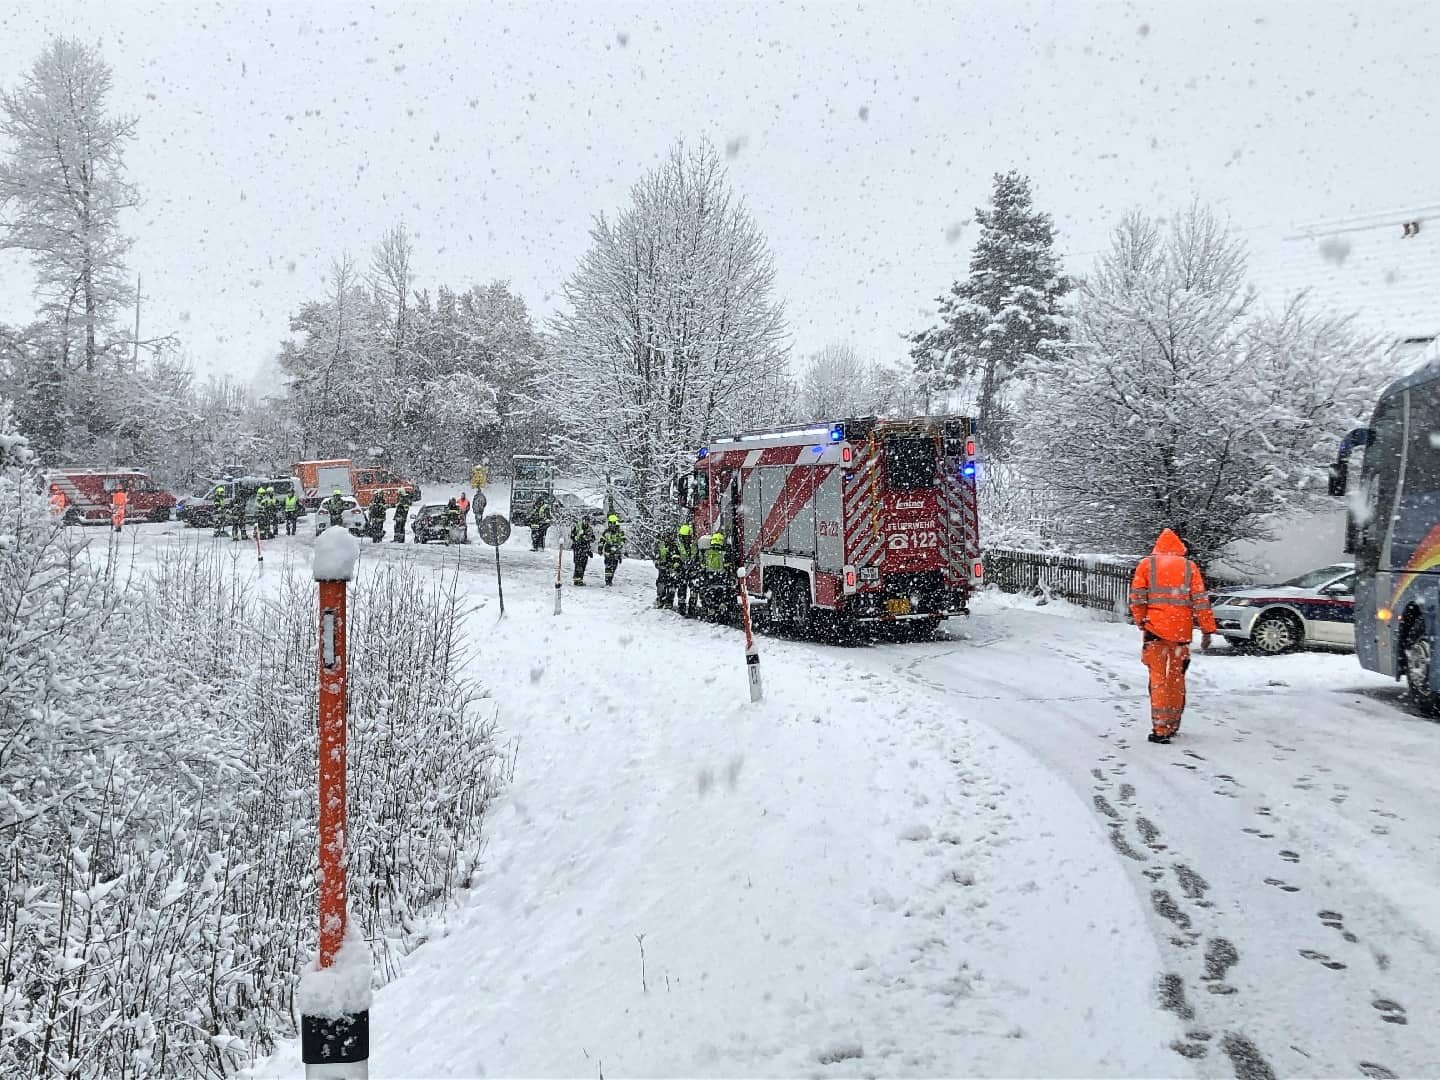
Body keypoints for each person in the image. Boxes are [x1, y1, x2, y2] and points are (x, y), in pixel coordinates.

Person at [1128, 528, 1218, 744]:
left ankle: (1160, 727)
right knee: (1176, 678)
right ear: (1179, 547)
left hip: (1155, 631)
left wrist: (1142, 621)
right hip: (1180, 633)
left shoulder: (1146, 565)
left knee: (1158, 677)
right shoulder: (1189, 567)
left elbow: (1137, 598)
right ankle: (1173, 723)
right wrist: (1207, 629)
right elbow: (1201, 600)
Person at [701, 529, 732, 617]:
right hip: (722, 580)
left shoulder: (706, 553)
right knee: (722, 597)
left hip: (710, 580)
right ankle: (721, 609)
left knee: (710, 597)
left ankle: (712, 610)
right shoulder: (724, 553)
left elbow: (703, 566)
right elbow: (727, 566)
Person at [670, 523, 699, 614]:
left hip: (692, 570)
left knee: (694, 589)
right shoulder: (678, 546)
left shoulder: (694, 546)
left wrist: (695, 567)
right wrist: (677, 564)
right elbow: (675, 556)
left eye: (687, 537)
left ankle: (692, 607)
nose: (686, 539)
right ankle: (681, 607)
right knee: (682, 589)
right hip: (682, 570)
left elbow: (697, 557)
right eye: (684, 537)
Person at [599, 514, 626, 586]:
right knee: (608, 566)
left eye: (611, 523)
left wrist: (618, 547)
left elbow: (623, 540)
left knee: (614, 566)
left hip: (616, 550)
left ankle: (610, 578)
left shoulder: (620, 532)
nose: (610, 525)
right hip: (608, 550)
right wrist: (600, 548)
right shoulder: (606, 532)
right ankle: (608, 580)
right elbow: (602, 540)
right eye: (609, 523)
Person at [570, 516, 595, 585]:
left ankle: (580, 579)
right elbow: (572, 536)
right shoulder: (578, 527)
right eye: (585, 521)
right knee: (578, 563)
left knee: (583, 564)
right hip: (578, 547)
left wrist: (590, 539)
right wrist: (579, 537)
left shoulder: (590, 529)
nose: (586, 522)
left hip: (586, 548)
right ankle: (576, 580)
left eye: (588, 521)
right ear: (583, 521)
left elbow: (593, 537)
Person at [653, 529, 674, 608]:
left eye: (670, 537)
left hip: (671, 569)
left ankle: (669, 601)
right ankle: (660, 599)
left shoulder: (675, 546)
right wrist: (658, 562)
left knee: (671, 585)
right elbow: (656, 556)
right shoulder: (660, 546)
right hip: (663, 568)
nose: (668, 539)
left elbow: (677, 556)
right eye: (667, 537)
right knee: (661, 584)